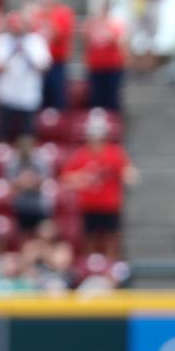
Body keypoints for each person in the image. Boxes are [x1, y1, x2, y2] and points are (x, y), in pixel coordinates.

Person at [61, 110, 139, 260]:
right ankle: (90, 265)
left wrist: (127, 174)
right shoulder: (81, 155)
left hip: (110, 205)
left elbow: (128, 171)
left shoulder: (114, 153)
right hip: (89, 205)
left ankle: (110, 264)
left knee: (110, 237)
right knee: (89, 238)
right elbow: (66, 178)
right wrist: (82, 179)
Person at [0, 11, 52, 142]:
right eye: (14, 25)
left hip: (28, 95)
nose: (17, 28)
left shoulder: (36, 40)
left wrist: (26, 53)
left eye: (20, 25)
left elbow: (44, 66)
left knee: (27, 135)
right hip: (6, 94)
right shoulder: (2, 40)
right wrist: (13, 52)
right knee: (4, 134)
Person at [31, 0, 76, 110]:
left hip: (56, 60)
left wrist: (48, 16)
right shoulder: (38, 13)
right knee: (40, 95)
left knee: (57, 93)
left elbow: (59, 35)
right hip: (39, 62)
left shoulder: (64, 13)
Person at [4, 134, 53, 233]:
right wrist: (29, 182)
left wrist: (25, 182)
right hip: (21, 205)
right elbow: (12, 186)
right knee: (24, 235)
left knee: (41, 235)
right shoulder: (13, 163)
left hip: (39, 205)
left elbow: (42, 184)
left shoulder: (40, 161)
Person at [83, 1, 126, 111]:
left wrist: (108, 34)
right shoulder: (92, 24)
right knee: (96, 97)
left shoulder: (115, 24)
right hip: (95, 66)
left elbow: (120, 42)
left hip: (112, 67)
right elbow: (86, 39)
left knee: (111, 97)